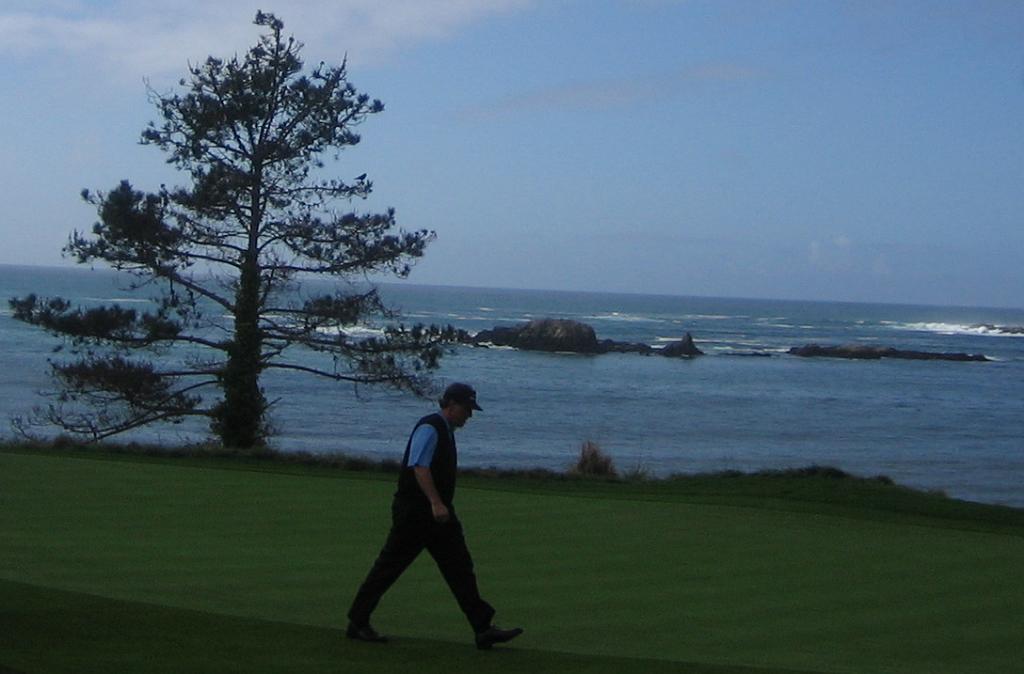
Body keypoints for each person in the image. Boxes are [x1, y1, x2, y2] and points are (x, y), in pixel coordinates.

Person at [346, 382, 523, 650]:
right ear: (451, 405)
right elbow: (419, 466)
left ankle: (483, 628)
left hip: (437, 514)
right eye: (466, 408)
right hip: (416, 512)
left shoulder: (446, 430)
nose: (469, 415)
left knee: (460, 567)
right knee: (389, 566)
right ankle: (358, 620)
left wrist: (440, 506)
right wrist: (436, 503)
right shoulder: (430, 427)